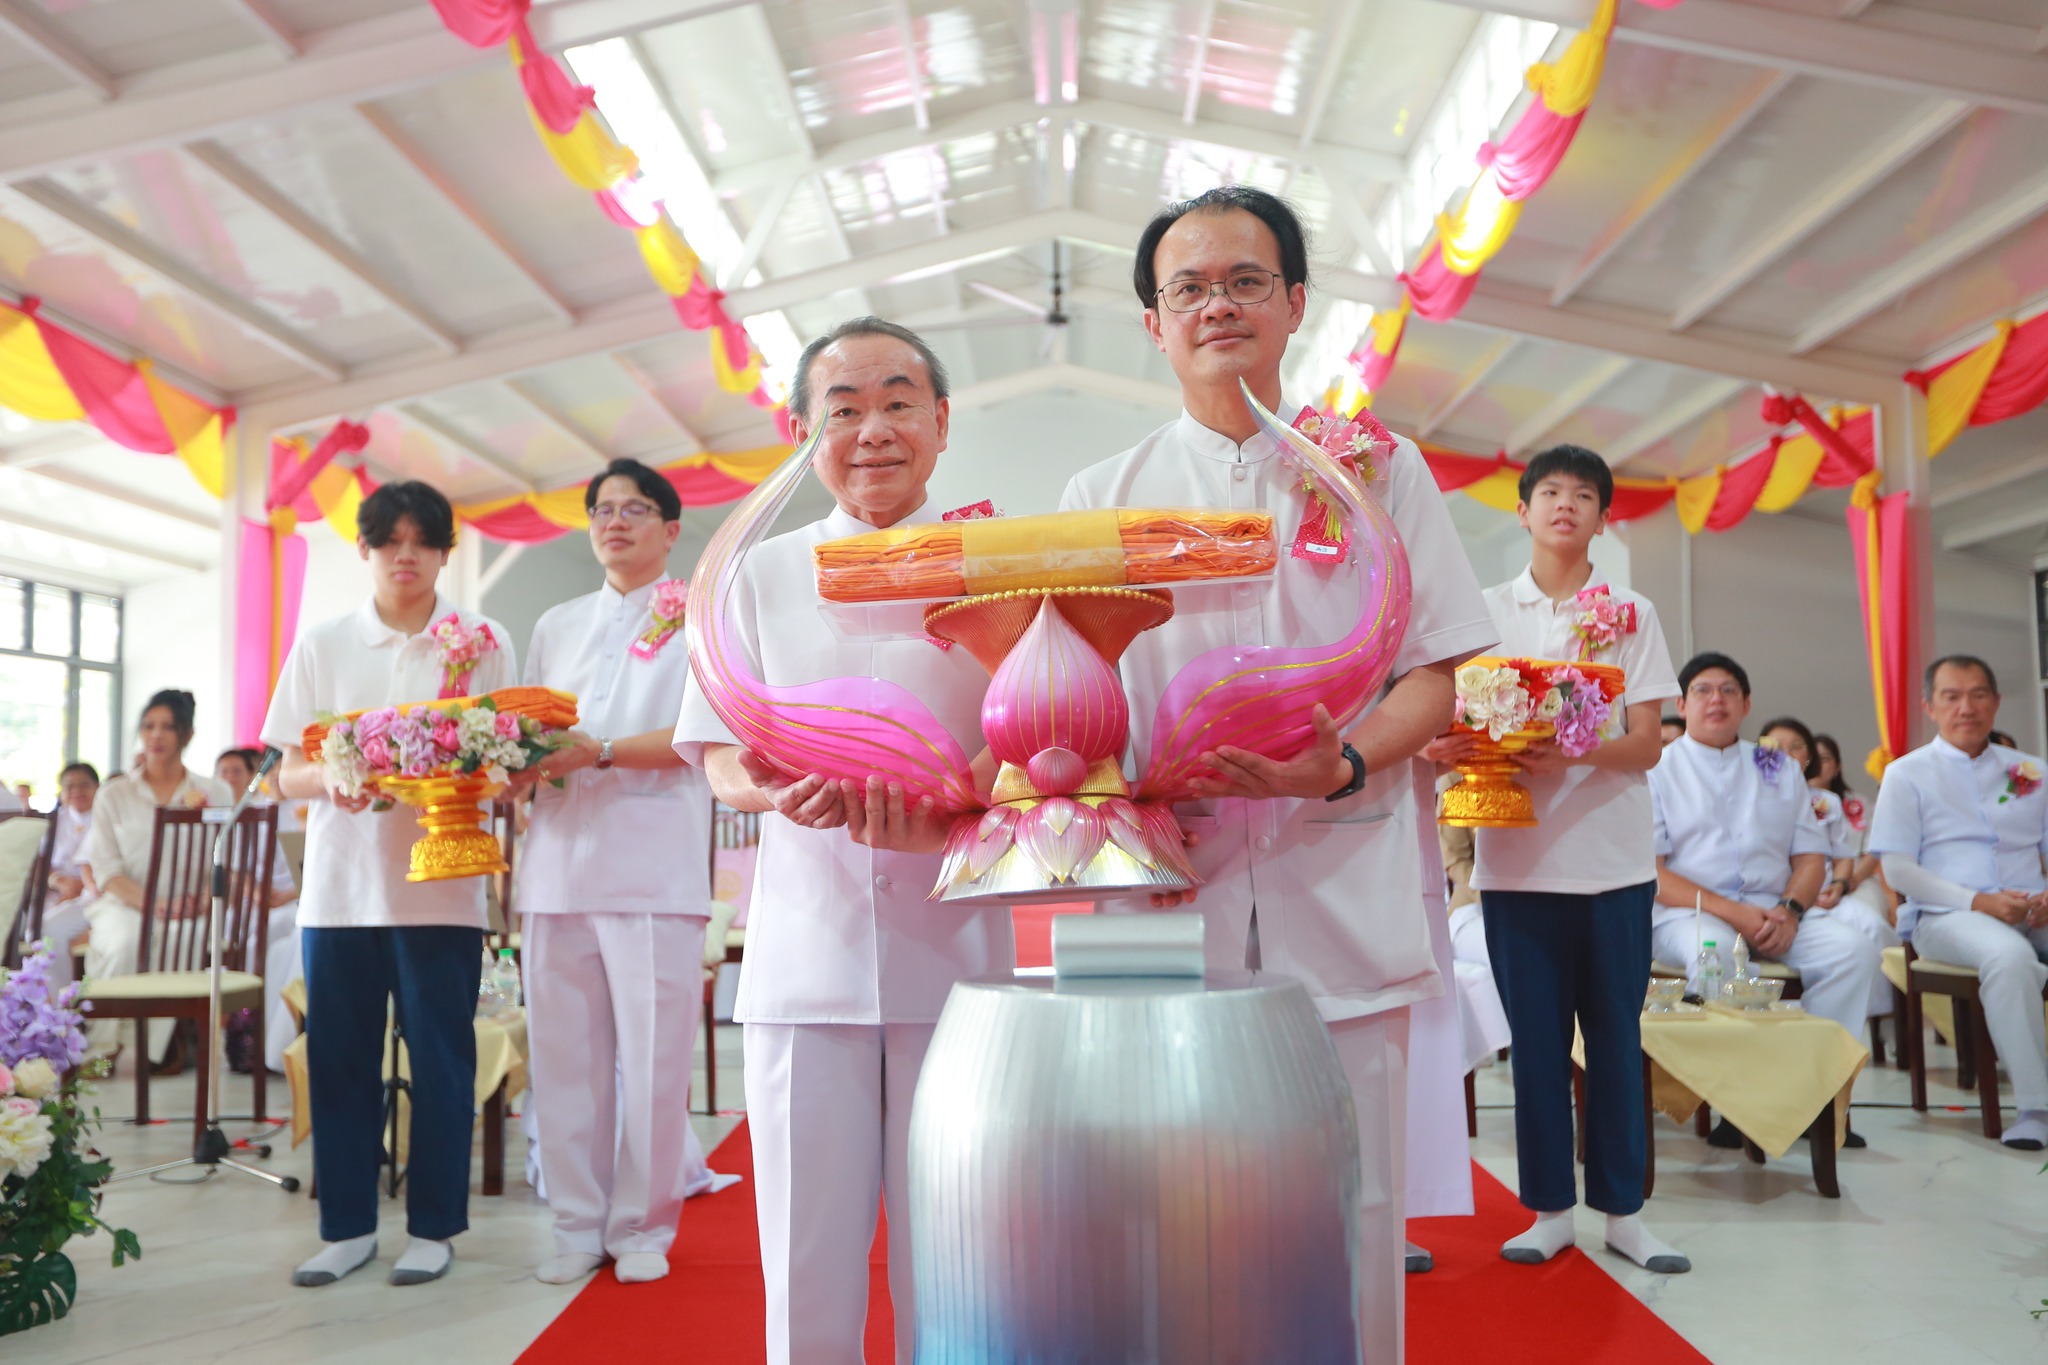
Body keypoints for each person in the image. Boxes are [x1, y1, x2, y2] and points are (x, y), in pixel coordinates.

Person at [1057, 186, 1496, 1355]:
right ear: (1152, 322)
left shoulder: (1376, 469)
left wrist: (1342, 763)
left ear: (1294, 303)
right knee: (1153, 1189)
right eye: (1186, 287)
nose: (1217, 306)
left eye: (1244, 281)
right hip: (1149, 886)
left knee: (1349, 1203)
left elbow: (1439, 670)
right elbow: (1063, 705)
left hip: (1337, 874)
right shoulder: (1098, 497)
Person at [674, 318, 1014, 1364]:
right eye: (844, 408)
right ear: (801, 431)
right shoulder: (753, 574)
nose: (873, 430)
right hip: (802, 962)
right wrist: (767, 790)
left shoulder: (998, 567)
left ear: (942, 421)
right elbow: (714, 748)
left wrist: (970, 798)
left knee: (953, 1258)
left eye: (898, 402)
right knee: (804, 1264)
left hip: (958, 956)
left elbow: (1041, 736)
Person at [1425, 444, 1686, 1273]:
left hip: (1613, 866)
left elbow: (1645, 744)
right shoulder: (1484, 615)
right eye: (1549, 492)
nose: (1565, 505)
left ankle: (1626, 1214)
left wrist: (1567, 755)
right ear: (1523, 511)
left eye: (1583, 495)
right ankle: (1548, 1210)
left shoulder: (1631, 613)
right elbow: (1455, 722)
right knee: (1536, 1047)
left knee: (1614, 1042)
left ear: (1603, 517)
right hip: (1515, 866)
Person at [265, 480, 516, 1289]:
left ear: (445, 551)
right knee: (339, 1057)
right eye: (388, 540)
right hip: (340, 891)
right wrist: (331, 781)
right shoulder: (325, 641)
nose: (404, 555)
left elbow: (512, 756)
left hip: (441, 887)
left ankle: (434, 1225)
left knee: (442, 1057)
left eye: (422, 540)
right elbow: (282, 771)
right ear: (367, 550)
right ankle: (346, 1226)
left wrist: (482, 774)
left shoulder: (480, 639)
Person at [517, 457, 733, 1288]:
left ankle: (643, 1226)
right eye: (603, 508)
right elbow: (533, 731)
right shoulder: (556, 624)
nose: (616, 521)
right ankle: (576, 1223)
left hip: (650, 868)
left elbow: (698, 735)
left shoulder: (698, 616)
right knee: (564, 1060)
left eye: (635, 508)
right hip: (556, 869)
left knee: (652, 1060)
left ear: (671, 530)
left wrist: (600, 751)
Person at [1649, 653, 1884, 1143]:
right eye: (1703, 690)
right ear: (1681, 703)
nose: (1717, 699)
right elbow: (1653, 873)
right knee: (1715, 959)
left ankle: (1816, 1100)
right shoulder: (1658, 768)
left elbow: (1810, 856)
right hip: (1690, 912)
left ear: (1747, 703)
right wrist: (1733, 912)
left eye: (1729, 690)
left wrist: (1791, 912)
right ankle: (1736, 1106)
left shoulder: (1776, 765)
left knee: (1853, 951)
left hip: (1777, 911)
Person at [1868, 656, 2048, 1149]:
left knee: (2020, 955)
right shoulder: (1907, 775)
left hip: (2033, 909)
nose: (1966, 707)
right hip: (1945, 917)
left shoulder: (2031, 771)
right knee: (2010, 959)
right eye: (1952, 696)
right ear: (1930, 706)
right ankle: (2036, 1108)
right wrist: (1979, 902)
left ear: (1996, 702)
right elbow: (1898, 870)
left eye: (1978, 694)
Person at [76, 691, 233, 1061]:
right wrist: (156, 905)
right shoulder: (114, 794)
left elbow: (227, 859)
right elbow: (107, 871)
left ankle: (154, 1051)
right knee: (125, 940)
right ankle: (102, 1046)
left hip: (190, 908)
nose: (156, 736)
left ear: (187, 735)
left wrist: (204, 897)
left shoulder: (215, 792)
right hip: (124, 902)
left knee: (186, 937)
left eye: (167, 727)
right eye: (148, 726)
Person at [216, 747, 302, 1073]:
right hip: (257, 902)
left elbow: (312, 867)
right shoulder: (251, 811)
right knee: (253, 938)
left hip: (293, 900)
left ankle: (272, 1035)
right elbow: (237, 870)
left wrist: (288, 893)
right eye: (273, 769)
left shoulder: (303, 811)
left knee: (282, 930)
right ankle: (245, 1030)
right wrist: (259, 895)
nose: (278, 776)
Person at [38, 761, 99, 986]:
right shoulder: (54, 821)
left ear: (96, 788)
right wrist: (58, 881)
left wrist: (81, 887)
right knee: (39, 926)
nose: (77, 792)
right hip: (56, 891)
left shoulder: (105, 818)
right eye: (69, 787)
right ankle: (50, 995)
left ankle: (78, 992)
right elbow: (40, 865)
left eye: (84, 785)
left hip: (94, 890)